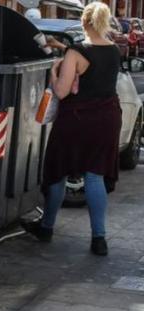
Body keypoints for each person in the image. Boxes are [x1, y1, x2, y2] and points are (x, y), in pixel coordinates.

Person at [25, 1, 121, 256]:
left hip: (77, 119)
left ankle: (46, 227)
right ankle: (99, 239)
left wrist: (55, 71)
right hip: (107, 118)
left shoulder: (76, 52)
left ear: (84, 22)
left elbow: (61, 91)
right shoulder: (114, 50)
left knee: (58, 170)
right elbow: (93, 59)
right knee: (95, 174)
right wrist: (64, 48)